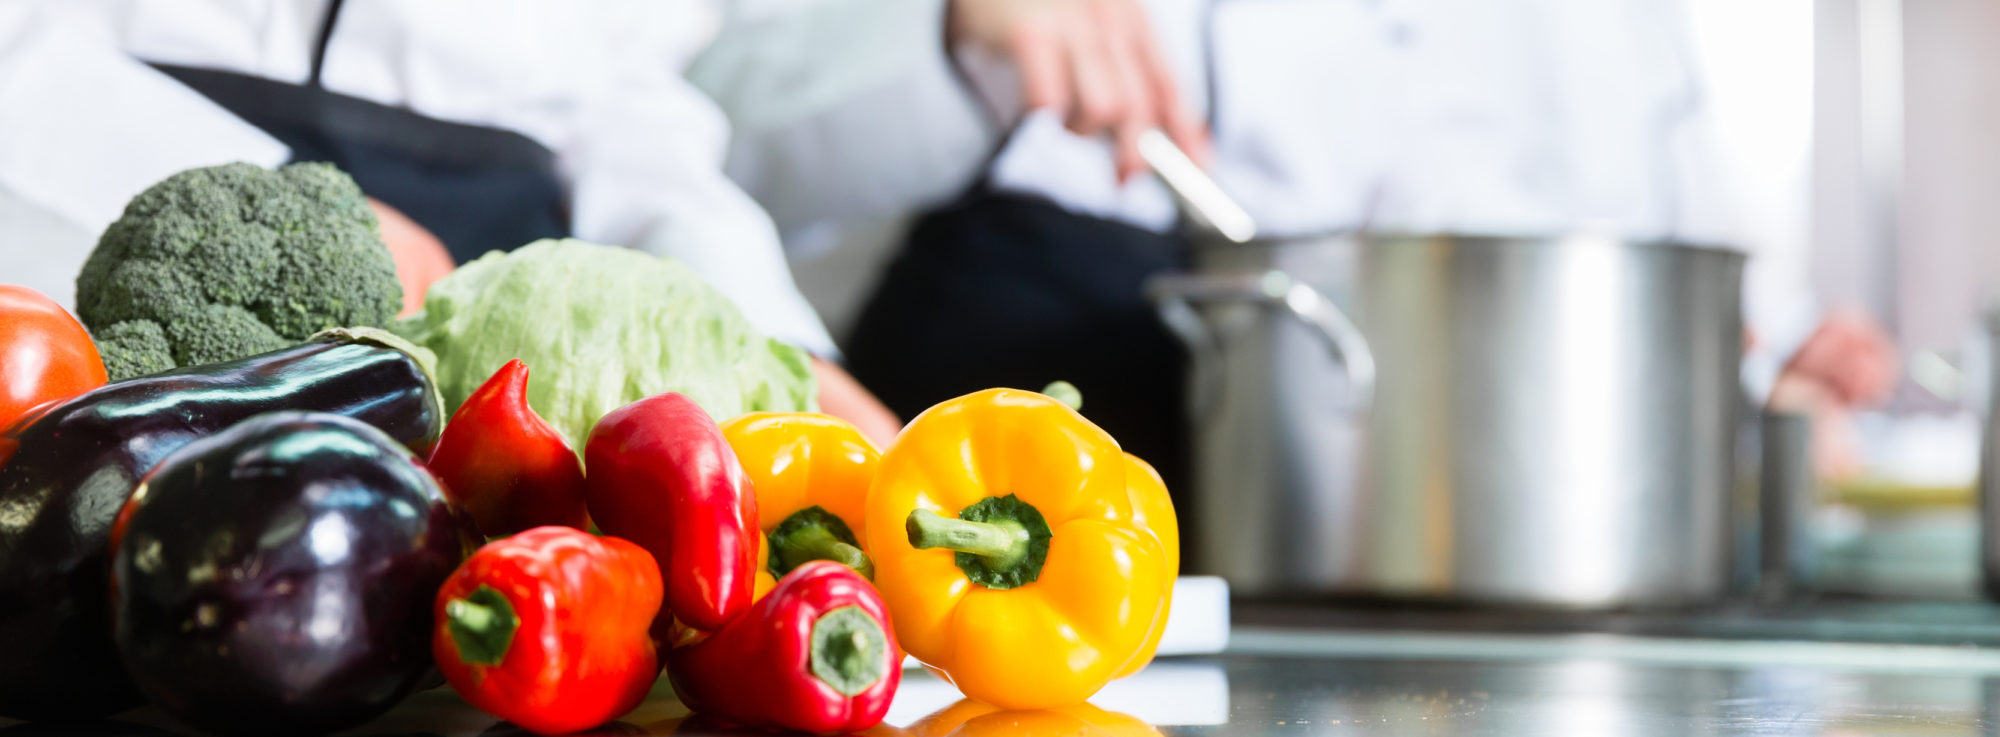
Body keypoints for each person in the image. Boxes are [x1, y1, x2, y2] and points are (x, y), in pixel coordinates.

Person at [696, 0, 1898, 484]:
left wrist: (1755, 387)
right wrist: (950, 31)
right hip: (1037, 464)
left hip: (1505, 512)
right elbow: (704, 125)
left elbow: (1662, 261)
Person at [0, 0, 903, 442]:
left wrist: (770, 337)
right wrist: (279, 200)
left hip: (484, 306)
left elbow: (627, 113)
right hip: (95, 209)